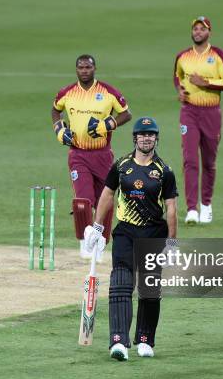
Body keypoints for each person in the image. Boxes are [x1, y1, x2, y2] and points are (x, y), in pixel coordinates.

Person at [84, 117, 178, 361]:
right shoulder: (121, 165)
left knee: (149, 290)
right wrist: (96, 227)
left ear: (156, 138)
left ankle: (145, 340)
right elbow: (107, 195)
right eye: (142, 134)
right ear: (135, 138)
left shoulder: (164, 171)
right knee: (120, 285)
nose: (146, 138)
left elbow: (171, 208)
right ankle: (118, 341)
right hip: (125, 232)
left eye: (151, 134)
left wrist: (172, 242)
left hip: (153, 234)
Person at [52, 54, 132, 258]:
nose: (84, 70)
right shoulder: (67, 93)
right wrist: (60, 130)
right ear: (76, 69)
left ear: (94, 69)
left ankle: (101, 240)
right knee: (82, 199)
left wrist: (107, 124)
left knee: (103, 200)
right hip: (78, 154)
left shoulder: (107, 92)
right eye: (81, 67)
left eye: (88, 67)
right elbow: (55, 110)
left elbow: (126, 114)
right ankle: (83, 241)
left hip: (102, 155)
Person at [173, 16, 223, 224]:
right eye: (195, 29)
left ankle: (206, 204)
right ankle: (191, 209)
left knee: (208, 161)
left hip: (211, 113)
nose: (198, 32)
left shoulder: (218, 55)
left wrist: (205, 82)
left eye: (202, 29)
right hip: (189, 112)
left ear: (209, 32)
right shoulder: (183, 56)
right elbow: (177, 75)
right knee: (190, 160)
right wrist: (180, 90)